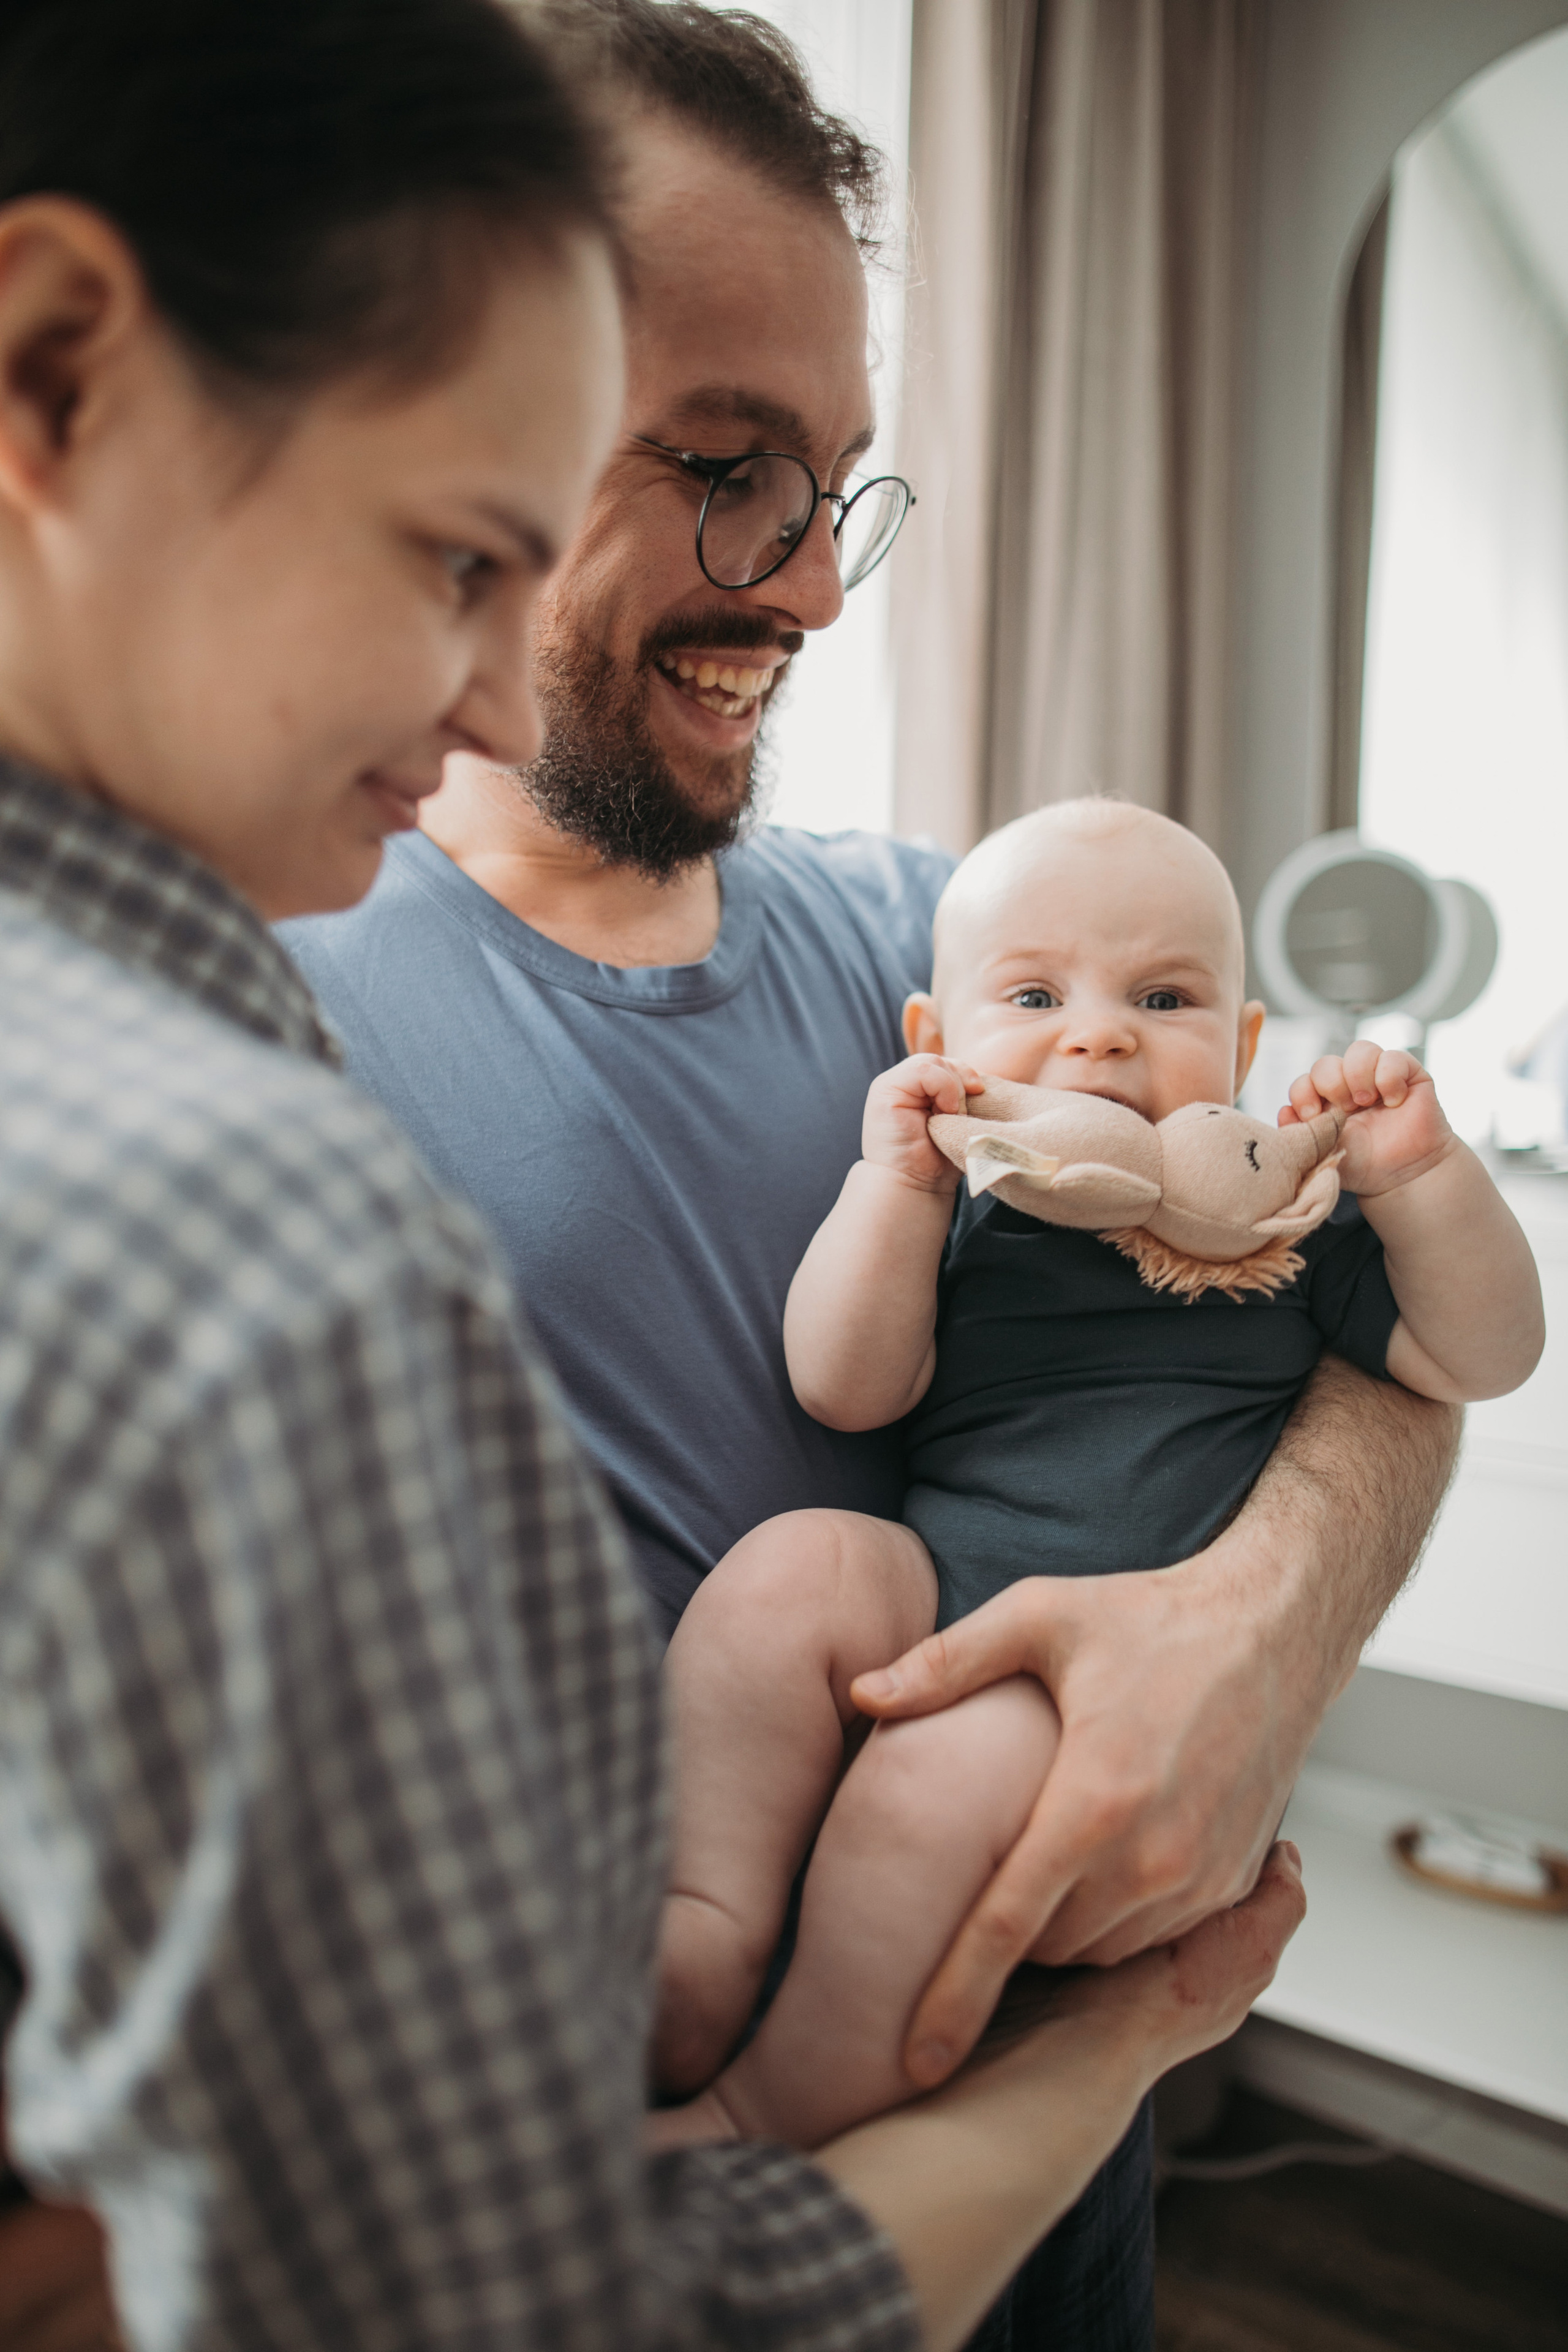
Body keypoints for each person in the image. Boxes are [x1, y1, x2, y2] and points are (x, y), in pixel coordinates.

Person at [0, 4, 1309, 2348]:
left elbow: (1329, 1269)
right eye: (720, 467)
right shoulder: (231, 1111)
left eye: (836, 492)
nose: (809, 592)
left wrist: (1255, 1619)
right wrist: (1106, 2045)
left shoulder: (969, 949)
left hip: (1048, 2246)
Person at [646, 800, 1544, 2147]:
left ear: (1244, 1047)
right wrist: (896, 1188)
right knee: (790, 1571)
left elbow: (1483, 1355)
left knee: (938, 1777)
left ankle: (768, 2100)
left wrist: (1418, 1178)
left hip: (1118, 1690)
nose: (1101, 1034)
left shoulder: (1294, 1230)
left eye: (1163, 998)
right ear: (933, 1041)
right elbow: (846, 1385)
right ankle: (704, 1919)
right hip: (937, 1589)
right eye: (1033, 996)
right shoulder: (968, 1207)